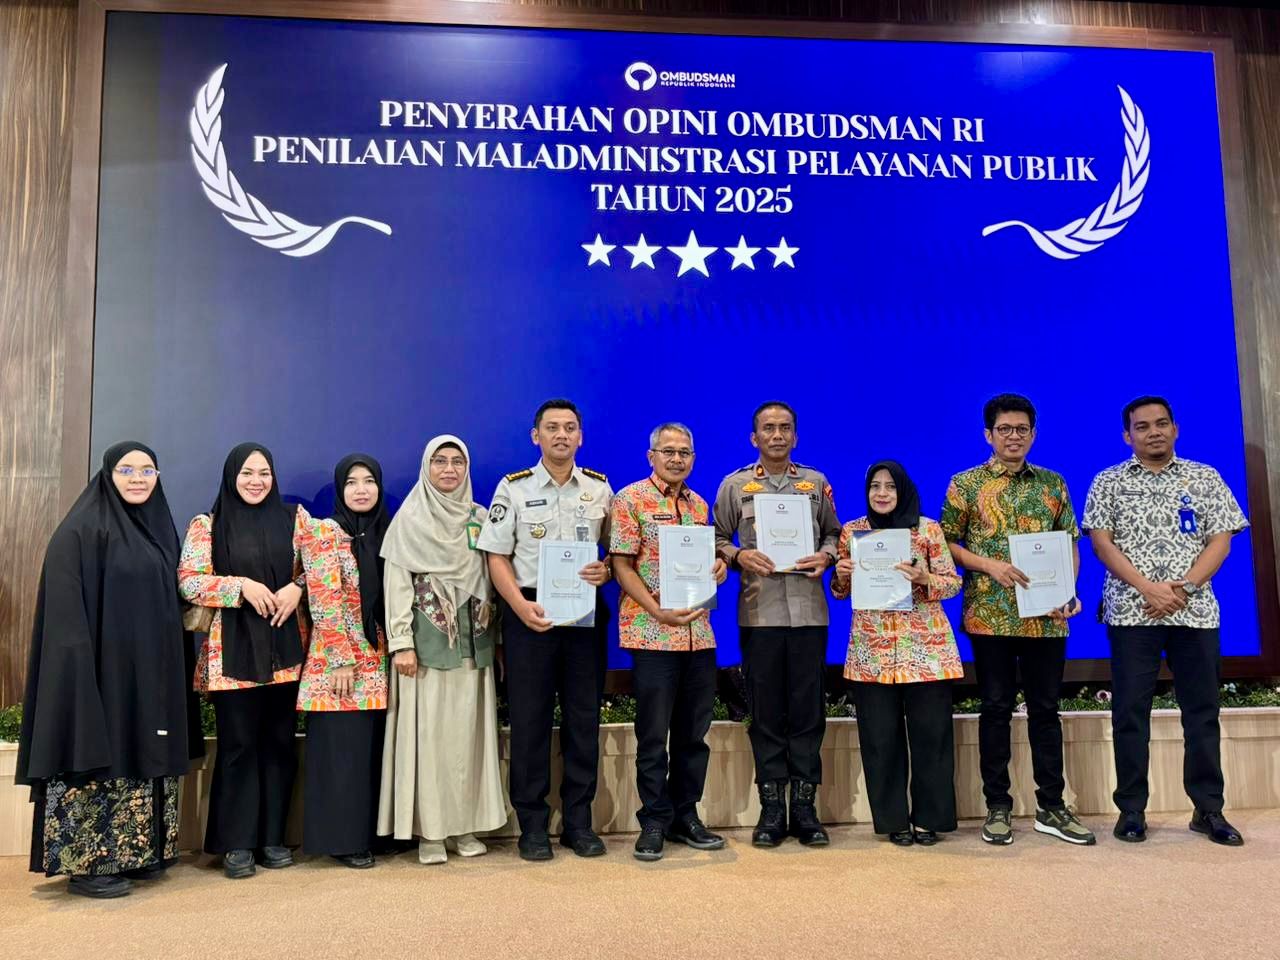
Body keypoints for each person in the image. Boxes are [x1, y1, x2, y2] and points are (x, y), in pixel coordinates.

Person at [16, 443, 202, 898]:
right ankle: (90, 864)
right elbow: (63, 610)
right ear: (107, 474)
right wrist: (78, 672)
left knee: (142, 747)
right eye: (127, 469)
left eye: (147, 470)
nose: (138, 478)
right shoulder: (80, 531)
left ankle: (136, 853)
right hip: (97, 671)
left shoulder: (158, 528)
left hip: (148, 672)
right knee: (100, 750)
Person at [1083, 396, 1249, 846]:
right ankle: (1131, 810)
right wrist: (1148, 588)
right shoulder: (1108, 481)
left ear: (1175, 429)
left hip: (1194, 612)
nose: (1153, 432)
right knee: (1130, 713)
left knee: (1202, 712)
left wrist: (1185, 589)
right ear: (1127, 436)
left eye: (1161, 424)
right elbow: (1101, 544)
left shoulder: (1205, 477)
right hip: (1131, 611)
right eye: (1142, 426)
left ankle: (1208, 809)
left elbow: (1221, 541)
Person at [179, 443, 343, 878]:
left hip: (285, 652)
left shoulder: (296, 519)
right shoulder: (208, 525)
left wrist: (298, 588)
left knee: (279, 745)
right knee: (238, 747)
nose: (256, 481)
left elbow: (327, 565)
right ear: (231, 476)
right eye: (247, 473)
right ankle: (237, 842)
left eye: (264, 473)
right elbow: (189, 582)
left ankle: (272, 837)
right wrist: (240, 587)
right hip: (232, 654)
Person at [940, 394, 1095, 846]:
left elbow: (1069, 544)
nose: (1014, 437)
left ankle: (1051, 806)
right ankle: (998, 806)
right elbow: (947, 544)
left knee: (1046, 709)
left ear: (1033, 434)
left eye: (1021, 429)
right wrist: (989, 565)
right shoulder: (965, 484)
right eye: (1005, 429)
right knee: (995, 708)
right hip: (991, 615)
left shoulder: (1053, 483)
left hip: (1047, 618)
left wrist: (1068, 592)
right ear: (988, 435)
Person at [476, 399, 613, 861]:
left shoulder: (599, 488)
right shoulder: (513, 488)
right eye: (552, 427)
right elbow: (496, 557)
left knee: (583, 720)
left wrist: (606, 571)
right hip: (528, 612)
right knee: (530, 720)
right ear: (536, 436)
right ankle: (532, 825)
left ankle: (579, 822)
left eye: (570, 428)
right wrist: (518, 606)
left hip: (583, 616)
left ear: (580, 437)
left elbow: (614, 553)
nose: (561, 435)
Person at [713, 401, 840, 847]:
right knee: (765, 712)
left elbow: (834, 534)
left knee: (808, 711)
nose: (777, 435)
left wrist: (826, 556)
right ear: (755, 437)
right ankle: (771, 808)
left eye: (785, 428)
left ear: (796, 436)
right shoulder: (734, 485)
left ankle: (804, 808)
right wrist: (739, 555)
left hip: (809, 614)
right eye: (768, 428)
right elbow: (717, 536)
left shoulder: (816, 483)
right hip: (759, 614)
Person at [378, 436, 507, 864]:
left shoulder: (480, 518)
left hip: (474, 645)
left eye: (457, 462)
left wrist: (498, 641)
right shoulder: (410, 519)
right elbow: (397, 585)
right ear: (426, 467)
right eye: (440, 461)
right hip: (426, 648)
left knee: (468, 740)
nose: (449, 469)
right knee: (429, 739)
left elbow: (493, 581)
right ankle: (431, 833)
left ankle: (465, 827)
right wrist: (401, 644)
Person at [610, 424, 729, 861]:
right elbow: (621, 565)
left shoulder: (698, 505)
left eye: (684, 453)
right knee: (653, 735)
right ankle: (654, 820)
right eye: (668, 451)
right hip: (652, 633)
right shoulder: (630, 499)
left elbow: (705, 561)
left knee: (694, 735)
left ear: (693, 459)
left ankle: (686, 815)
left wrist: (718, 568)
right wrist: (656, 609)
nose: (677, 459)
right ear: (651, 456)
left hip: (699, 635)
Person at [831, 462, 961, 846]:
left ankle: (930, 819)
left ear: (902, 490)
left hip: (926, 651)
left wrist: (925, 578)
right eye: (875, 486)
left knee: (932, 739)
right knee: (880, 741)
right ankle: (893, 821)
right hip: (871, 654)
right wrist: (840, 575)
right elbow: (840, 591)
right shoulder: (853, 532)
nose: (882, 493)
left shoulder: (927, 530)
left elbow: (953, 584)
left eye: (890, 486)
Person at [298, 454, 390, 868]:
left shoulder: (385, 532)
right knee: (342, 754)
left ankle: (370, 835)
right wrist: (340, 659)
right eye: (351, 482)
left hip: (378, 661)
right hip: (339, 664)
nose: (361, 489)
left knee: (369, 752)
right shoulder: (324, 532)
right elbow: (324, 599)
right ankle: (342, 839)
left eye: (369, 481)